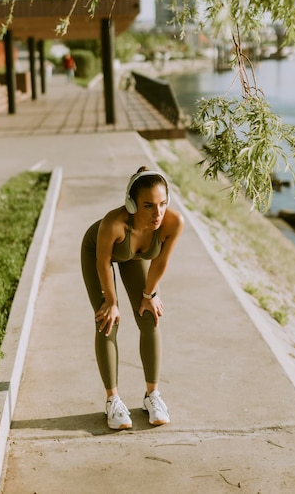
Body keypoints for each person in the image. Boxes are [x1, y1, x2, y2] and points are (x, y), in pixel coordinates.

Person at [81, 167, 184, 430]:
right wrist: (111, 302)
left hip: (133, 257)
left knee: (149, 315)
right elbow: (103, 262)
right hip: (99, 253)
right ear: (131, 204)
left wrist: (149, 295)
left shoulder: (173, 222)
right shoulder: (113, 224)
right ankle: (112, 400)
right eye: (148, 206)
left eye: (162, 204)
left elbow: (160, 262)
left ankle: (152, 396)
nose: (157, 213)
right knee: (107, 321)